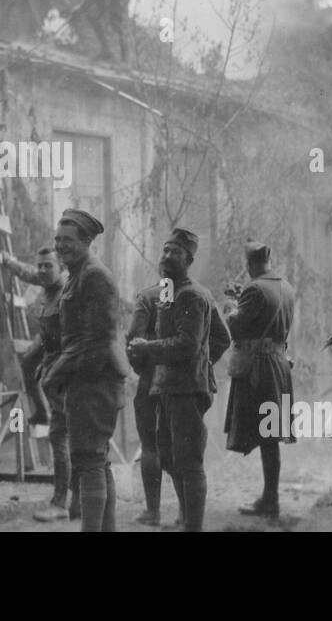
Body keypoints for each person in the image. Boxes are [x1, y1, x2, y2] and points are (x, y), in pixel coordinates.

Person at [42, 209, 130, 532]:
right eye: (57, 240)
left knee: (90, 460)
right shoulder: (78, 275)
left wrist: (56, 374)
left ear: (87, 241)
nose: (60, 246)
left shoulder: (94, 276)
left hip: (95, 380)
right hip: (87, 379)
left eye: (68, 240)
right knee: (96, 460)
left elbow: (93, 342)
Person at [127, 228, 219, 532]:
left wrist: (148, 349)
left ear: (188, 259)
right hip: (167, 387)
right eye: (165, 250)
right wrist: (202, 361)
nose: (167, 256)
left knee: (189, 462)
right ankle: (186, 521)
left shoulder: (192, 294)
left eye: (175, 252)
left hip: (186, 390)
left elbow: (187, 344)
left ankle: (193, 526)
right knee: (167, 456)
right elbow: (218, 338)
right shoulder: (170, 292)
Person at [1, 247, 77, 522]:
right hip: (47, 343)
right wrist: (10, 262)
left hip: (63, 362)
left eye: (48, 266)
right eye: (41, 266)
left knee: (61, 435)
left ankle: (61, 501)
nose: (43, 271)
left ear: (62, 269)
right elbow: (31, 274)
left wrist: (54, 371)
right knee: (26, 363)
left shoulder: (68, 293)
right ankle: (41, 410)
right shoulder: (46, 282)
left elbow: (74, 339)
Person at [224, 240, 296, 519]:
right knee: (271, 436)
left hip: (259, 368)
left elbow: (237, 325)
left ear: (250, 263)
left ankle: (270, 501)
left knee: (266, 435)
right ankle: (271, 498)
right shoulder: (286, 286)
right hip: (278, 363)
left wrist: (231, 303)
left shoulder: (254, 289)